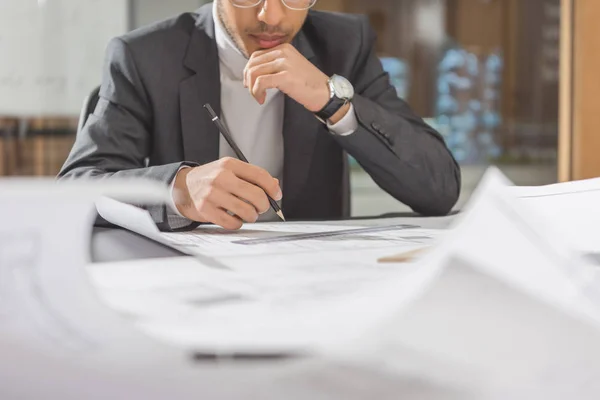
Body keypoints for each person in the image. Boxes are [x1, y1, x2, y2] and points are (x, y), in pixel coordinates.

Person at [59, 0, 461, 231]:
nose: (272, 15)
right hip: (191, 287)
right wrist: (178, 190)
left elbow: (439, 188)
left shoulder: (343, 44)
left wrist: (332, 100)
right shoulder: (145, 56)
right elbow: (75, 190)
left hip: (312, 284)